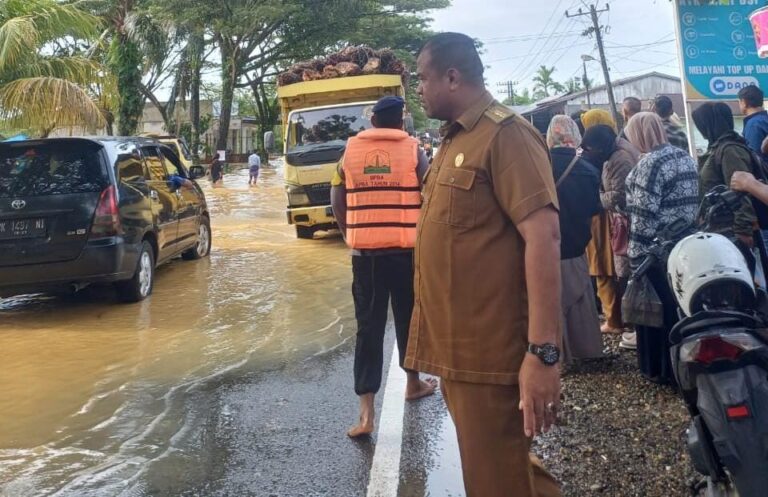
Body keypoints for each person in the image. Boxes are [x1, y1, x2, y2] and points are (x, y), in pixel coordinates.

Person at [405, 32, 562, 497]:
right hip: (459, 350)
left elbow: (545, 237)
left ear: (453, 77)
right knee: (504, 467)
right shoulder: (457, 139)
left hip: (491, 353)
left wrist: (543, 354)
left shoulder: (506, 135)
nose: (419, 88)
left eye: (423, 78)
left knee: (494, 479)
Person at [330, 95, 435, 439]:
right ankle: (413, 383)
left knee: (368, 328)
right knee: (409, 319)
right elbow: (431, 193)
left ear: (373, 121)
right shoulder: (414, 150)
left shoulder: (350, 152)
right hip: (406, 253)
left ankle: (366, 415)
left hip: (365, 256)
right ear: (401, 121)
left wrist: (352, 233)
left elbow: (336, 197)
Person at [624, 112, 699, 384]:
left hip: (655, 251)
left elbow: (644, 215)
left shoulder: (649, 165)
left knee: (655, 313)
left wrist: (635, 257)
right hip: (686, 245)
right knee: (679, 307)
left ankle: (660, 370)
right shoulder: (684, 157)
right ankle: (683, 365)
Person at [547, 116, 603, 365]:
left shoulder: (540, 165)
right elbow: (594, 208)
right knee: (579, 298)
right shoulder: (588, 169)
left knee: (549, 302)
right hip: (577, 244)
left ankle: (555, 355)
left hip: (545, 245)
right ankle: (585, 349)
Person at [581, 124, 641, 348]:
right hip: (620, 220)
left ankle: (630, 324)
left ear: (600, 146)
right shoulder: (615, 154)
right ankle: (627, 322)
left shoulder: (619, 159)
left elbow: (620, 195)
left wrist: (597, 197)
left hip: (625, 221)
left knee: (623, 270)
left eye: (591, 148)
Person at [692, 102, 758, 254]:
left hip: (733, 231)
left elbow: (742, 193)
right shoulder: (718, 147)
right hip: (720, 228)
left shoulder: (729, 150)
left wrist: (743, 231)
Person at [580, 111, 623, 336]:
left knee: (603, 267)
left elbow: (617, 193)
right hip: (611, 218)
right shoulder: (617, 149)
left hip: (603, 218)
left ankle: (614, 319)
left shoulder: (608, 157)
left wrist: (595, 197)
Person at [738, 85, 768, 163]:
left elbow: (755, 158)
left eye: (739, 102)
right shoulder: (764, 120)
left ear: (743, 102)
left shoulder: (753, 124)